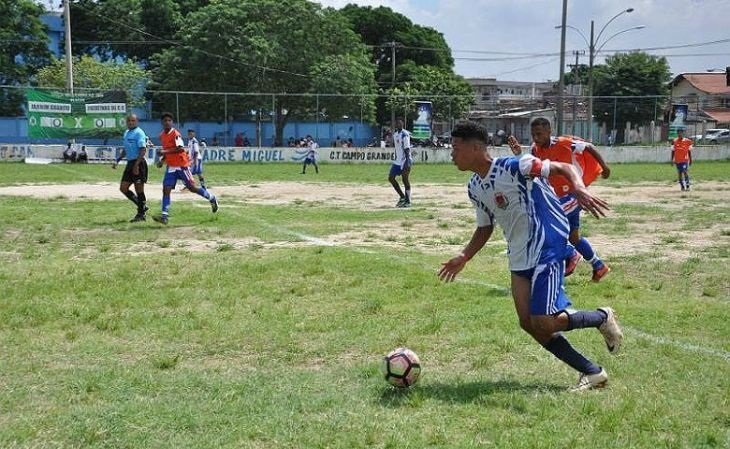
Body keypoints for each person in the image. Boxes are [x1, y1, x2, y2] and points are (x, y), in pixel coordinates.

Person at [438, 121, 622, 392]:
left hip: (547, 244)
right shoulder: (475, 187)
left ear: (476, 148)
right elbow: (485, 227)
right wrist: (465, 255)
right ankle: (592, 373)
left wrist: (578, 187)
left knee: (544, 321)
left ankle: (601, 317)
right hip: (519, 252)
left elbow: (565, 167)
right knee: (528, 323)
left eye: (455, 147)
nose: (451, 153)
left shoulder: (516, 166)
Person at [513, 118, 611, 282]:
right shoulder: (535, 150)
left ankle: (570, 254)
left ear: (549, 132)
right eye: (533, 134)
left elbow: (588, 147)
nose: (536, 138)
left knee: (543, 225)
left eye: (539, 134)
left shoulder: (564, 143)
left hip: (574, 194)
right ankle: (599, 266)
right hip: (558, 198)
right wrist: (519, 155)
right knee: (573, 237)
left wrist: (605, 167)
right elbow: (530, 167)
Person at [152, 112, 219, 225]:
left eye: (169, 120)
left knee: (192, 188)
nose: (167, 122)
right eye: (165, 120)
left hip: (182, 165)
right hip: (171, 167)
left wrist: (164, 152)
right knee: (166, 189)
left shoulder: (176, 134)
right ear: (162, 123)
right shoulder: (162, 135)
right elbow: (167, 149)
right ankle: (164, 215)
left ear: (172, 122)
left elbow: (180, 149)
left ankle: (211, 198)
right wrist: (162, 161)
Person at [112, 114, 149, 222]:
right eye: (129, 121)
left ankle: (141, 214)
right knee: (123, 188)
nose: (131, 122)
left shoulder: (139, 133)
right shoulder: (127, 133)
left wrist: (137, 165)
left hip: (139, 163)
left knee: (139, 190)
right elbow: (126, 149)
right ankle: (141, 205)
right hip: (130, 163)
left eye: (133, 120)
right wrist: (118, 160)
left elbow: (143, 150)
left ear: (137, 121)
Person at [389, 118, 413, 208]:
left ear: (403, 123)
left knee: (405, 180)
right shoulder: (395, 135)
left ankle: (408, 201)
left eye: (400, 122)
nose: (398, 124)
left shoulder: (405, 134)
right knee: (391, 178)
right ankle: (402, 197)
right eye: (397, 123)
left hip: (405, 160)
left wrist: (407, 161)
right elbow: (397, 148)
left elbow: (407, 148)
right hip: (397, 161)